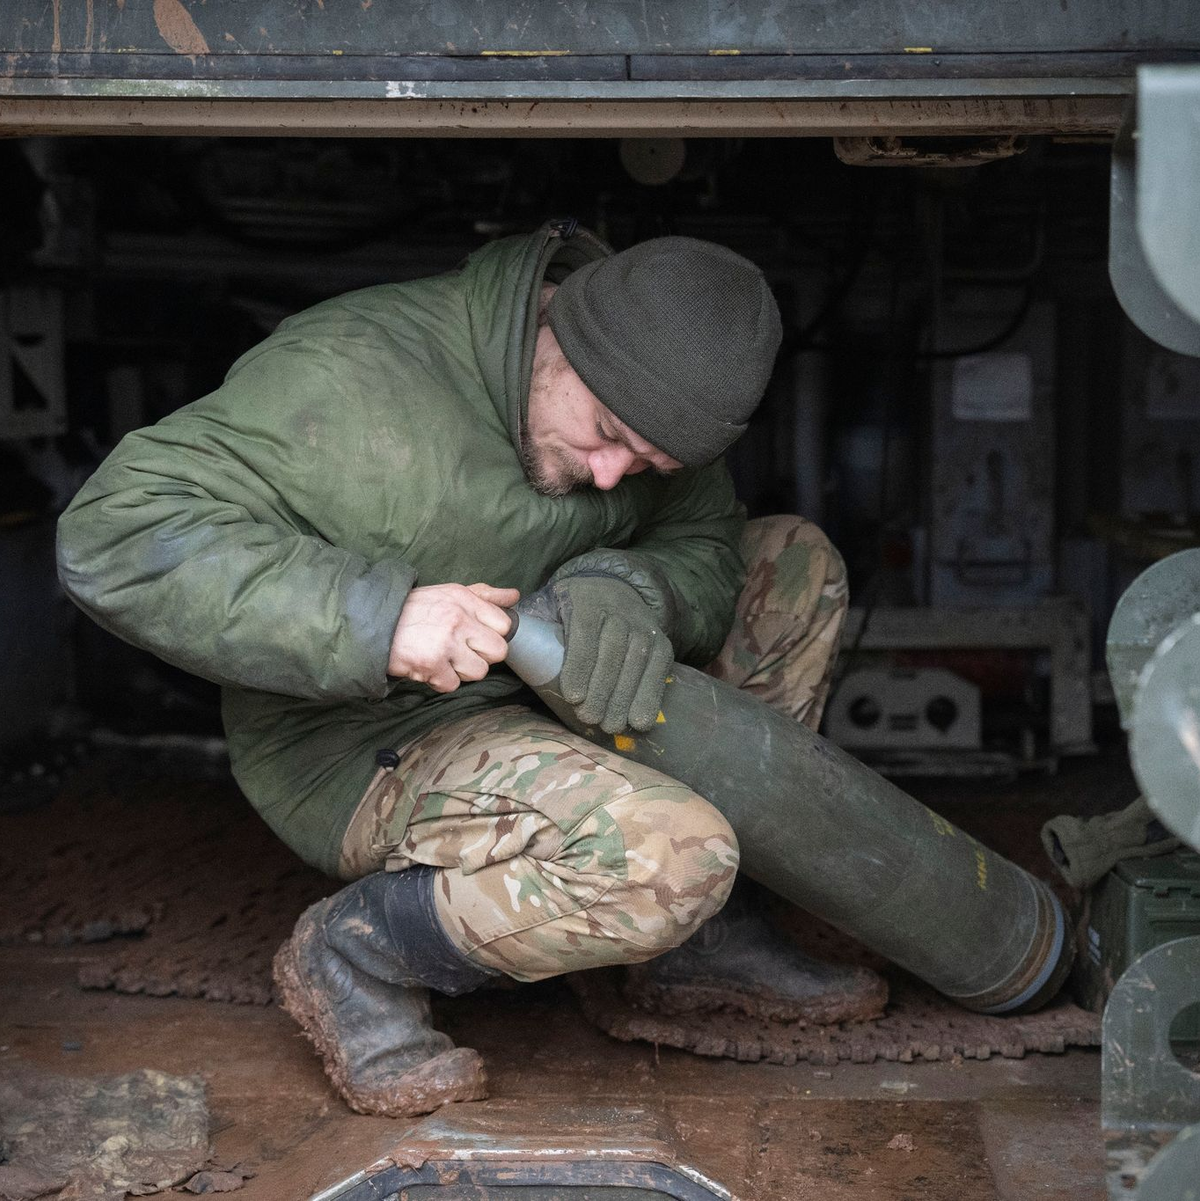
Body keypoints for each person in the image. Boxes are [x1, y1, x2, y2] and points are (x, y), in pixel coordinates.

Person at [56, 219, 885, 1119]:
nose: (613, 477)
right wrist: (378, 617)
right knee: (666, 856)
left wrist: (635, 585)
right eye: (605, 433)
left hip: (544, 690)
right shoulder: (349, 376)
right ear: (559, 332)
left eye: (647, 463)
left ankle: (694, 940)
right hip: (374, 737)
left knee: (793, 564)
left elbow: (704, 538)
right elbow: (113, 536)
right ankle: (359, 950)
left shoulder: (650, 388)